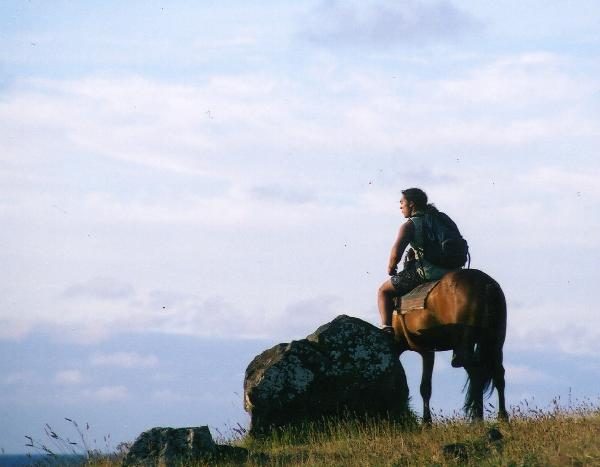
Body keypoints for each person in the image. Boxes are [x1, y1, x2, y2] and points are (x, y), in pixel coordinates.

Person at [377, 188, 455, 334]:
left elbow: (396, 253)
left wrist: (391, 268)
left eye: (402, 203)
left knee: (383, 291)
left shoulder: (410, 225)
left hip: (428, 272)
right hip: (453, 270)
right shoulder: (439, 218)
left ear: (411, 204)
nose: (400, 207)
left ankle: (386, 329)